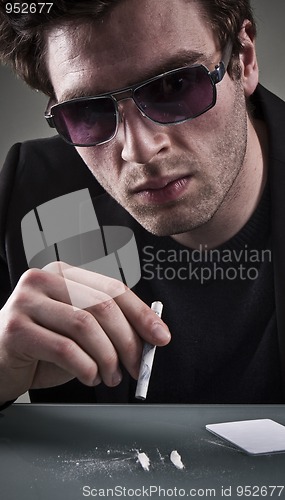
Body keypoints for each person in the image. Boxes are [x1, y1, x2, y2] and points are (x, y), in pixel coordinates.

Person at [0, 0, 284, 408]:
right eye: (88, 111)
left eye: (175, 86)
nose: (140, 149)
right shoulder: (37, 194)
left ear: (245, 58)